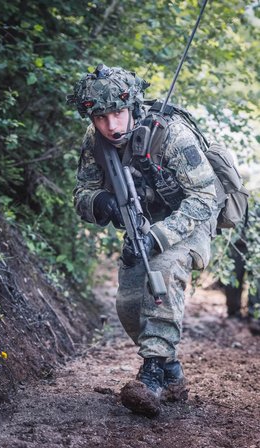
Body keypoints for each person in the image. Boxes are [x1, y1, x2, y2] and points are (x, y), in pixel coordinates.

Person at [67, 64, 219, 416]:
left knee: (162, 274)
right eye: (101, 118)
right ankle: (172, 372)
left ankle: (151, 375)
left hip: (187, 223)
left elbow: (204, 199)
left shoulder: (173, 135)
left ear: (132, 107)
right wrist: (102, 203)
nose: (111, 126)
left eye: (118, 113)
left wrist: (159, 237)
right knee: (129, 304)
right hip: (142, 224)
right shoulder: (95, 141)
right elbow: (82, 194)